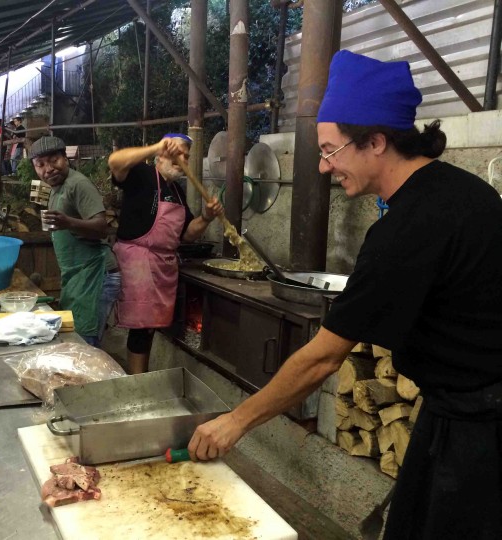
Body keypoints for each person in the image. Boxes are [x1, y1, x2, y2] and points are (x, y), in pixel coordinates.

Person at [188, 51, 502, 540]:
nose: (322, 167)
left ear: (376, 141)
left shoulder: (407, 227)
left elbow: (322, 359)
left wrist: (235, 421)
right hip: (464, 411)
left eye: (330, 151)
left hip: (478, 430)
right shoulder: (463, 191)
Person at [107, 134, 223, 374]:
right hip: (137, 261)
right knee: (141, 328)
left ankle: (141, 378)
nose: (182, 159)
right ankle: (138, 383)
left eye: (186, 156)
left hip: (163, 264)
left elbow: (187, 234)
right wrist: (155, 146)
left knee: (148, 329)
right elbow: (115, 162)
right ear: (161, 156)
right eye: (176, 153)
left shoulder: (177, 191)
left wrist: (207, 218)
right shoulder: (142, 174)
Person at [31, 136, 120, 347]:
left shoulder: (78, 184)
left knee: (84, 344)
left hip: (95, 275)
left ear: (65, 158)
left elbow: (101, 227)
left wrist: (68, 222)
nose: (49, 169)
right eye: (41, 165)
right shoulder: (56, 189)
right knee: (76, 340)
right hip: (78, 276)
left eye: (54, 160)